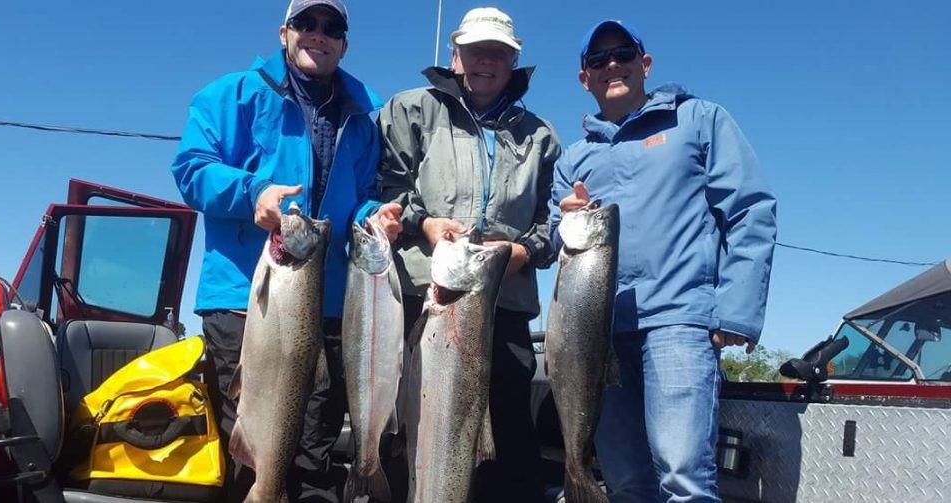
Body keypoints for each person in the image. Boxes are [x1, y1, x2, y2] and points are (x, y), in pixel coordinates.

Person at [169, 1, 401, 501]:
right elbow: (191, 169)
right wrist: (253, 193)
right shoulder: (229, 96)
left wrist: (373, 217)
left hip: (331, 307)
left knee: (314, 451)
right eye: (307, 24)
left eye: (332, 27)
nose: (319, 35)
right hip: (246, 302)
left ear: (344, 42)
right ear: (284, 33)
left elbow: (361, 197)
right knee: (250, 439)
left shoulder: (363, 117)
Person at [549, 19, 777, 503]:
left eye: (624, 53)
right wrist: (563, 220)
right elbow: (555, 234)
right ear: (584, 78)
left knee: (683, 478)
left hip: (678, 322)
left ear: (645, 63)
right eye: (598, 59)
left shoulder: (699, 119)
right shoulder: (572, 159)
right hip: (597, 336)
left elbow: (751, 209)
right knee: (627, 482)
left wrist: (736, 310)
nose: (612, 64)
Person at [378, 7, 560, 502]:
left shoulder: (540, 134)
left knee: (506, 442)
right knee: (409, 431)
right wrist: (425, 223)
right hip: (425, 298)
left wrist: (523, 250)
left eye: (498, 53)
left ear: (513, 61)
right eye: (476, 50)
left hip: (505, 308)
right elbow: (385, 188)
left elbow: (551, 224)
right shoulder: (409, 108)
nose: (486, 61)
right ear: (455, 55)